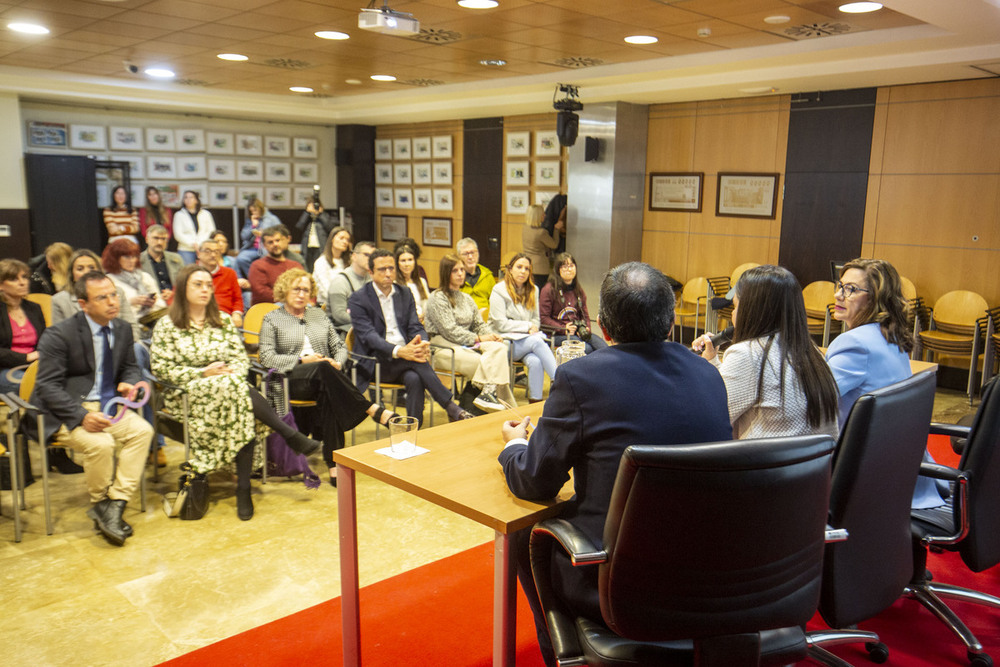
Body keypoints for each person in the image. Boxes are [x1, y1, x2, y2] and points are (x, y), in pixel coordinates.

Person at [498, 262, 732, 666]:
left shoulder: (578, 379)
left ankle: (565, 655)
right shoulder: (708, 373)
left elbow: (535, 482)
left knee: (524, 534)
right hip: (709, 576)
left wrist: (515, 446)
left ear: (603, 328)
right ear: (672, 324)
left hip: (618, 584)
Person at [150, 265, 321, 521]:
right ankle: (275, 450)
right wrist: (202, 373)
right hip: (187, 394)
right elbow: (161, 368)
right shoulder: (167, 325)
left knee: (237, 395)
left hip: (228, 391)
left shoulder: (223, 320)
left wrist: (229, 373)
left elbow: (241, 361)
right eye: (198, 284)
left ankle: (245, 485)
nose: (205, 289)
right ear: (183, 288)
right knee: (240, 395)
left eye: (209, 285)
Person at [33, 271, 155, 546]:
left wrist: (129, 382)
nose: (112, 302)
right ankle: (101, 504)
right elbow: (46, 387)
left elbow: (131, 368)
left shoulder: (122, 328)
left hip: (108, 405)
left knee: (142, 432)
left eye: (114, 294)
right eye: (102, 297)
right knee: (100, 445)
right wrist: (82, 416)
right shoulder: (58, 334)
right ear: (83, 304)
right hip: (69, 408)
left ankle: (114, 505)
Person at [259, 269, 398, 486]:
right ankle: (370, 408)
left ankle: (334, 465)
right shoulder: (272, 319)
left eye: (306, 290)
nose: (301, 294)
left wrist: (338, 362)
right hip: (290, 379)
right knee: (324, 371)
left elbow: (339, 345)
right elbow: (266, 357)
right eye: (296, 289)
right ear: (284, 290)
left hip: (323, 376)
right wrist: (303, 360)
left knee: (329, 388)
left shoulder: (318, 315)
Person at [826, 257, 945, 510]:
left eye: (851, 290)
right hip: (899, 471)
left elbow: (811, 398)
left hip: (864, 475)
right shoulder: (888, 336)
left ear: (876, 298)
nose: (838, 295)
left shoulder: (854, 343)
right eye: (840, 285)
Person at [692, 264, 840, 439]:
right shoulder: (813, 353)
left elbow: (709, 419)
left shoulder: (747, 354)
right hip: (815, 465)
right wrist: (712, 361)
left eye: (735, 307)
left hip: (765, 465)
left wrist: (699, 369)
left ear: (751, 312)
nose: (733, 315)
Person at [347, 248, 473, 425]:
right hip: (375, 361)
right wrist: (400, 351)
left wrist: (422, 342)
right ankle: (451, 406)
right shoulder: (358, 299)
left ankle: (412, 428)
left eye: (391, 268)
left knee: (414, 377)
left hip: (407, 358)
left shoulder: (404, 293)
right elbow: (369, 336)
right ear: (371, 272)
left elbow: (416, 326)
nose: (388, 273)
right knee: (416, 360)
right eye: (382, 269)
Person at [425, 254, 512, 412]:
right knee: (484, 364)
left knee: (500, 348)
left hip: (466, 345)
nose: (460, 274)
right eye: (455, 271)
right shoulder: (437, 298)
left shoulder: (466, 298)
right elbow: (449, 330)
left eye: (462, 270)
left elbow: (478, 324)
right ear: (446, 273)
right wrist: (478, 338)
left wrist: (491, 336)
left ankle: (486, 397)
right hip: (443, 348)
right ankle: (499, 405)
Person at [489, 253, 558, 403]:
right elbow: (500, 324)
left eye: (527, 268)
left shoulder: (533, 290)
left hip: (523, 342)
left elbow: (536, 321)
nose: (523, 271)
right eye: (519, 267)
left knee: (536, 362)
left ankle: (535, 401)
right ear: (510, 269)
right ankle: (559, 381)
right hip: (502, 342)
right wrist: (527, 327)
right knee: (537, 342)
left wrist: (530, 328)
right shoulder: (499, 290)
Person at [52, 249, 141, 340]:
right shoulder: (60, 300)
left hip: (119, 345)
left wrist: (123, 346)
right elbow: (59, 337)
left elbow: (132, 327)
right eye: (80, 269)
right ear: (72, 275)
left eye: (91, 267)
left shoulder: (117, 292)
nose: (87, 272)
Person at [539, 252, 607, 354]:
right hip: (556, 334)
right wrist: (563, 328)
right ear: (558, 270)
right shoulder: (548, 290)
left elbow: (585, 315)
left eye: (571, 266)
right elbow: (543, 318)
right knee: (586, 349)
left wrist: (586, 328)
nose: (569, 269)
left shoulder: (578, 290)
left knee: (603, 347)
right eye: (564, 266)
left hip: (577, 332)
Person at [103, 239, 166, 321]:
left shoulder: (145, 277)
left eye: (134, 256)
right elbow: (108, 308)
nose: (132, 261)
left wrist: (152, 302)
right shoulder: (109, 281)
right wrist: (131, 302)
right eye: (127, 257)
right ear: (115, 258)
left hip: (153, 319)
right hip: (128, 322)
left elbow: (161, 303)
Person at [247, 224, 304, 305]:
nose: (275, 244)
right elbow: (262, 293)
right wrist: (290, 298)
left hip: (295, 306)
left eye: (277, 240)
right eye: (270, 242)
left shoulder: (296, 265)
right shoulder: (257, 266)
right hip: (268, 308)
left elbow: (306, 285)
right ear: (264, 245)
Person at [327, 241, 373, 336]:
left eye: (373, 256)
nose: (371, 259)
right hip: (342, 333)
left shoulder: (371, 279)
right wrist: (368, 318)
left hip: (366, 328)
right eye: (366, 255)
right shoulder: (340, 281)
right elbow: (339, 316)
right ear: (354, 256)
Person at [196, 239, 244, 329]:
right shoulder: (190, 273)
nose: (213, 255)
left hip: (225, 319)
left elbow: (237, 299)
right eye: (208, 251)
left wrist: (236, 313)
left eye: (216, 251)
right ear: (198, 253)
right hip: (197, 318)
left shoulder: (230, 273)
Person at [236, 198, 281, 279]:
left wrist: (263, 234)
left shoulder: (272, 219)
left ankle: (264, 278)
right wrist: (253, 226)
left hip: (267, 248)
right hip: (253, 248)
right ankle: (254, 278)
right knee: (241, 258)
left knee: (265, 260)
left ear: (261, 208)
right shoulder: (250, 220)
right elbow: (244, 236)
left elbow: (280, 234)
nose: (254, 213)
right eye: (251, 211)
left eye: (255, 210)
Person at [139, 224, 183, 304]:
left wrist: (173, 293)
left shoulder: (176, 259)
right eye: (156, 238)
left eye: (163, 239)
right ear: (147, 239)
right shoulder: (139, 261)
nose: (160, 242)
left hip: (175, 302)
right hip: (151, 304)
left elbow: (184, 282)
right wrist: (158, 296)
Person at [521, 204, 562, 287]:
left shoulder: (525, 228)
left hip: (527, 264)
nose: (545, 215)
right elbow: (554, 245)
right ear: (537, 216)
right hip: (540, 267)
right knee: (539, 292)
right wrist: (556, 230)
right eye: (543, 214)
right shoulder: (541, 232)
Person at [312, 226, 352, 309]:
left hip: (347, 304)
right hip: (325, 305)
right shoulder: (321, 262)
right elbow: (325, 289)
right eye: (341, 238)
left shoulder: (348, 262)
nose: (345, 242)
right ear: (332, 239)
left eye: (347, 240)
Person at [173, 190, 216, 264]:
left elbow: (211, 231)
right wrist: (192, 244)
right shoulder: (179, 215)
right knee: (187, 272)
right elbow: (178, 234)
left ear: (196, 200)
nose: (188, 199)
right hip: (185, 249)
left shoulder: (206, 214)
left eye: (191, 197)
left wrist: (200, 243)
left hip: (204, 248)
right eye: (186, 197)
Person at [456, 237, 495, 312]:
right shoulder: (455, 276)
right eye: (466, 254)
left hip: (485, 318)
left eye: (473, 252)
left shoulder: (488, 275)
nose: (470, 257)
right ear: (458, 256)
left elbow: (495, 302)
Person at [295, 199, 334, 272]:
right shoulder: (307, 217)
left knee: (321, 268)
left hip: (321, 247)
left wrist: (320, 214)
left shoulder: (324, 216)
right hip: (307, 248)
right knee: (307, 269)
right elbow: (299, 226)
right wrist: (307, 213)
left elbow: (330, 227)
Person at [394, 245, 429, 321]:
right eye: (403, 261)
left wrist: (423, 316)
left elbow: (427, 305)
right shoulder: (394, 284)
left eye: (410, 260)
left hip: (423, 322)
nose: (407, 264)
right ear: (397, 263)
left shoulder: (422, 281)